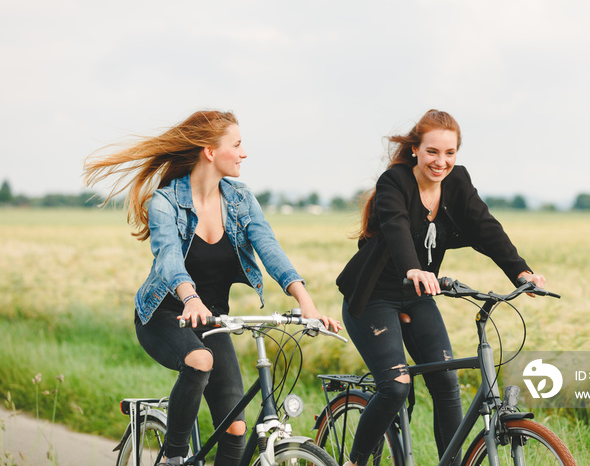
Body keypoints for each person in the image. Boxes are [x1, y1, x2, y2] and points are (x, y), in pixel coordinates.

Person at [84, 110, 341, 466]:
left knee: (235, 428)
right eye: (236, 145)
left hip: (212, 318)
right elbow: (169, 257)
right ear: (209, 151)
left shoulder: (240, 198)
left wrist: (306, 302)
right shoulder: (166, 202)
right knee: (200, 360)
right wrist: (189, 297)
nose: (243, 153)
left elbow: (269, 247)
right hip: (165, 313)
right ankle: (174, 457)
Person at [336, 109, 545, 466]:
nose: (441, 161)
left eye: (450, 153)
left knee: (447, 383)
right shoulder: (395, 182)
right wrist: (414, 268)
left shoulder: (458, 182)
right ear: (415, 149)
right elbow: (396, 226)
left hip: (417, 296)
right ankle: (353, 462)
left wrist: (521, 272)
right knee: (396, 386)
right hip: (373, 297)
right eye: (432, 151)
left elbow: (485, 227)